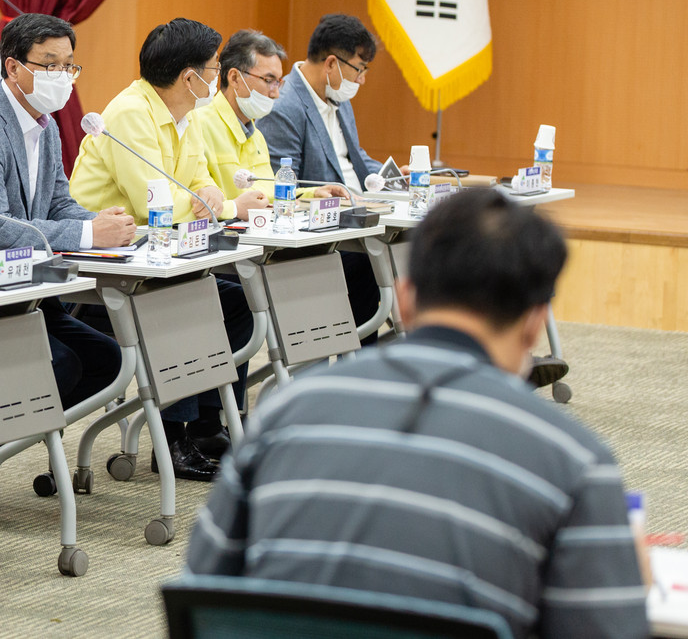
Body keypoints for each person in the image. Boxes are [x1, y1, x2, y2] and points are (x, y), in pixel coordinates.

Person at [185, 188, 649, 639]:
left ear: (404, 299)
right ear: (535, 321)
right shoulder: (573, 460)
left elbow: (204, 598)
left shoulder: (284, 413)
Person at [70, 18, 265, 480]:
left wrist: (211, 198)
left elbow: (196, 184)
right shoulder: (130, 113)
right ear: (189, 77)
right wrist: (214, 205)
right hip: (103, 261)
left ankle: (205, 423)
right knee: (190, 305)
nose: (215, 80)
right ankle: (171, 442)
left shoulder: (188, 112)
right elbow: (154, 202)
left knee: (237, 304)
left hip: (159, 253)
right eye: (213, 71)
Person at [0, 13, 128, 411]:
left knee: (107, 360)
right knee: (62, 365)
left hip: (27, 288)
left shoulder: (45, 125)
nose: (63, 75)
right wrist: (90, 236)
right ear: (13, 67)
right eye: (50, 65)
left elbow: (59, 203)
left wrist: (105, 226)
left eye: (68, 65)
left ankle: (11, 432)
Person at [259, 13, 382, 337]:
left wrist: (391, 177)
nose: (363, 79)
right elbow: (281, 185)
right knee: (374, 265)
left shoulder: (338, 95)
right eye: (360, 68)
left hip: (357, 219)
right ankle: (355, 368)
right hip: (321, 235)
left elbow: (353, 160)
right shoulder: (285, 105)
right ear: (332, 64)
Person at [197, 29, 348, 204]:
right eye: (269, 81)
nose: (276, 94)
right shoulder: (199, 124)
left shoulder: (257, 135)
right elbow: (202, 202)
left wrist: (313, 194)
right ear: (235, 78)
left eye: (279, 82)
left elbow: (268, 193)